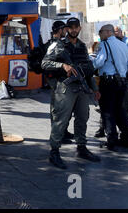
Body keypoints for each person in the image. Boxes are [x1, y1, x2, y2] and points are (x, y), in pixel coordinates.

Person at [41, 17, 101, 169]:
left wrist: (95, 88)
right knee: (60, 119)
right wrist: (62, 66)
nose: (74, 30)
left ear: (80, 28)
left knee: (82, 117)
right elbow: (45, 63)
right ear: (67, 28)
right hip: (65, 88)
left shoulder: (82, 46)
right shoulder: (58, 45)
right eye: (71, 27)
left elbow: (88, 69)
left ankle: (81, 147)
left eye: (76, 27)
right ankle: (54, 152)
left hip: (81, 88)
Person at [91, 24, 128, 151]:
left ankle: (112, 140)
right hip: (121, 82)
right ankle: (126, 138)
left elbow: (99, 61)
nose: (99, 35)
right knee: (120, 110)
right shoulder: (123, 45)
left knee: (107, 111)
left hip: (108, 82)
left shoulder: (104, 44)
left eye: (101, 32)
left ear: (108, 32)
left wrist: (92, 64)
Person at [42, 21, 74, 144]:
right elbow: (45, 63)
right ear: (60, 30)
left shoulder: (60, 42)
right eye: (64, 30)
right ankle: (58, 135)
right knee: (57, 109)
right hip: (55, 80)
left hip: (61, 79)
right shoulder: (54, 44)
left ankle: (63, 131)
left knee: (64, 108)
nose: (66, 32)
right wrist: (62, 65)